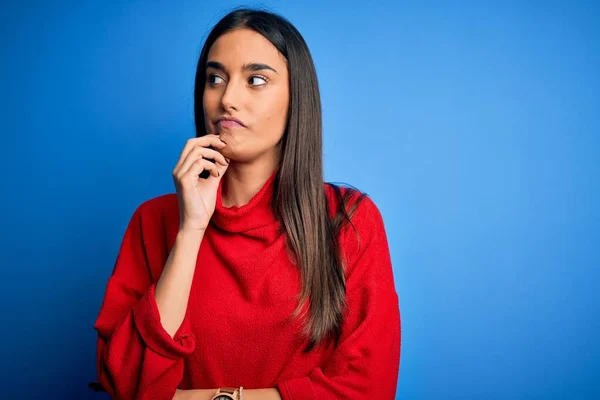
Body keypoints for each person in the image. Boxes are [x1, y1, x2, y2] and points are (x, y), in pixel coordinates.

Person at [92, 7, 401, 400]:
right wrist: (190, 231)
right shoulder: (153, 221)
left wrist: (217, 398)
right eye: (215, 79)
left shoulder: (348, 221)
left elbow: (367, 387)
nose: (227, 99)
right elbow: (128, 383)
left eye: (256, 80)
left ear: (297, 98)